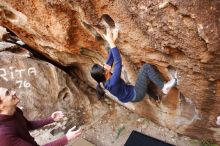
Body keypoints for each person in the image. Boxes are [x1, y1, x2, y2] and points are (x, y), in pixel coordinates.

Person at [90, 25, 177, 103]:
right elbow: (118, 62)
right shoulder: (112, 82)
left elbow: (111, 57)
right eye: (103, 66)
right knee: (146, 68)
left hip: (129, 94)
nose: (105, 64)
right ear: (104, 73)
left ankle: (156, 98)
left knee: (145, 83)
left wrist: (113, 40)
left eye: (102, 64)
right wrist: (111, 42)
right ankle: (164, 87)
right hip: (135, 94)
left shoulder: (104, 78)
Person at [0, 87, 81, 146]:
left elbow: (28, 125)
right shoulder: (3, 135)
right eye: (7, 93)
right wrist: (66, 138)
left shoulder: (15, 111)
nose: (13, 92)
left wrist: (51, 119)